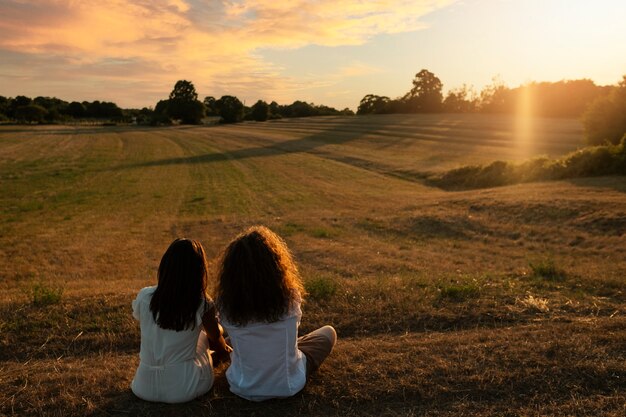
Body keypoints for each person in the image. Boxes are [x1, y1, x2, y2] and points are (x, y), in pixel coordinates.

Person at [215, 226, 337, 401]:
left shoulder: (225, 304)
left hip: (242, 386)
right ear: (275, 265)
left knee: (232, 340)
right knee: (328, 332)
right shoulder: (291, 297)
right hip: (289, 384)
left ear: (231, 271)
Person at [131, 238, 231, 403]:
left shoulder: (144, 296)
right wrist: (224, 346)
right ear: (198, 270)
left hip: (143, 387)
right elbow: (216, 340)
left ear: (165, 266)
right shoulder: (202, 302)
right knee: (204, 337)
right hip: (184, 388)